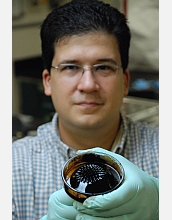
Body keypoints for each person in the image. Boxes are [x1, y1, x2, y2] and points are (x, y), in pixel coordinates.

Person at [12, 0, 159, 219]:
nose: (88, 84)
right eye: (71, 67)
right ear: (48, 81)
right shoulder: (13, 168)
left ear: (125, 81)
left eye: (103, 67)